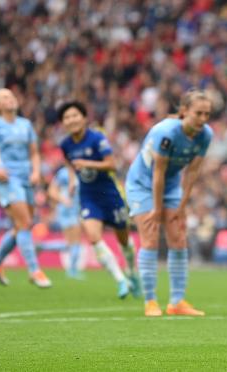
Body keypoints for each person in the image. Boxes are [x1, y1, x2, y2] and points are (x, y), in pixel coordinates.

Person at [125, 90, 213, 317]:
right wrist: (156, 209)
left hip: (171, 185)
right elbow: (157, 173)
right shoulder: (165, 132)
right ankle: (151, 301)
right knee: (151, 238)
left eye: (207, 114)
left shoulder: (205, 135)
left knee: (178, 237)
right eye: (198, 114)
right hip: (142, 185)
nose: (203, 119)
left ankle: (176, 302)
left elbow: (192, 172)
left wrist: (183, 205)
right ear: (184, 112)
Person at [58, 101, 139, 299]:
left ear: (84, 118)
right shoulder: (65, 144)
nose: (71, 120)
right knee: (94, 237)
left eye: (75, 115)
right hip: (88, 197)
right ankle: (121, 280)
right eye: (67, 117)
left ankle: (131, 271)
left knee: (124, 240)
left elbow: (111, 164)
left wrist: (86, 163)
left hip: (110, 195)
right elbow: (70, 164)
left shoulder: (97, 138)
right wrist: (70, 180)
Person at [0, 88, 52, 288]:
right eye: (4, 97)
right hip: (8, 179)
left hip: (27, 178)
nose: (9, 100)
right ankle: (34, 270)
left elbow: (34, 153)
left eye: (11, 96)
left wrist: (36, 171)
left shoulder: (25, 125)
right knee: (25, 222)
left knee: (21, 226)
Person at [45, 166, 83, 278]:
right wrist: (63, 200)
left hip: (74, 209)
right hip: (68, 210)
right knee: (75, 242)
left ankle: (42, 246)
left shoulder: (80, 170)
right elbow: (51, 191)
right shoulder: (63, 173)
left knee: (69, 244)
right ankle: (72, 271)